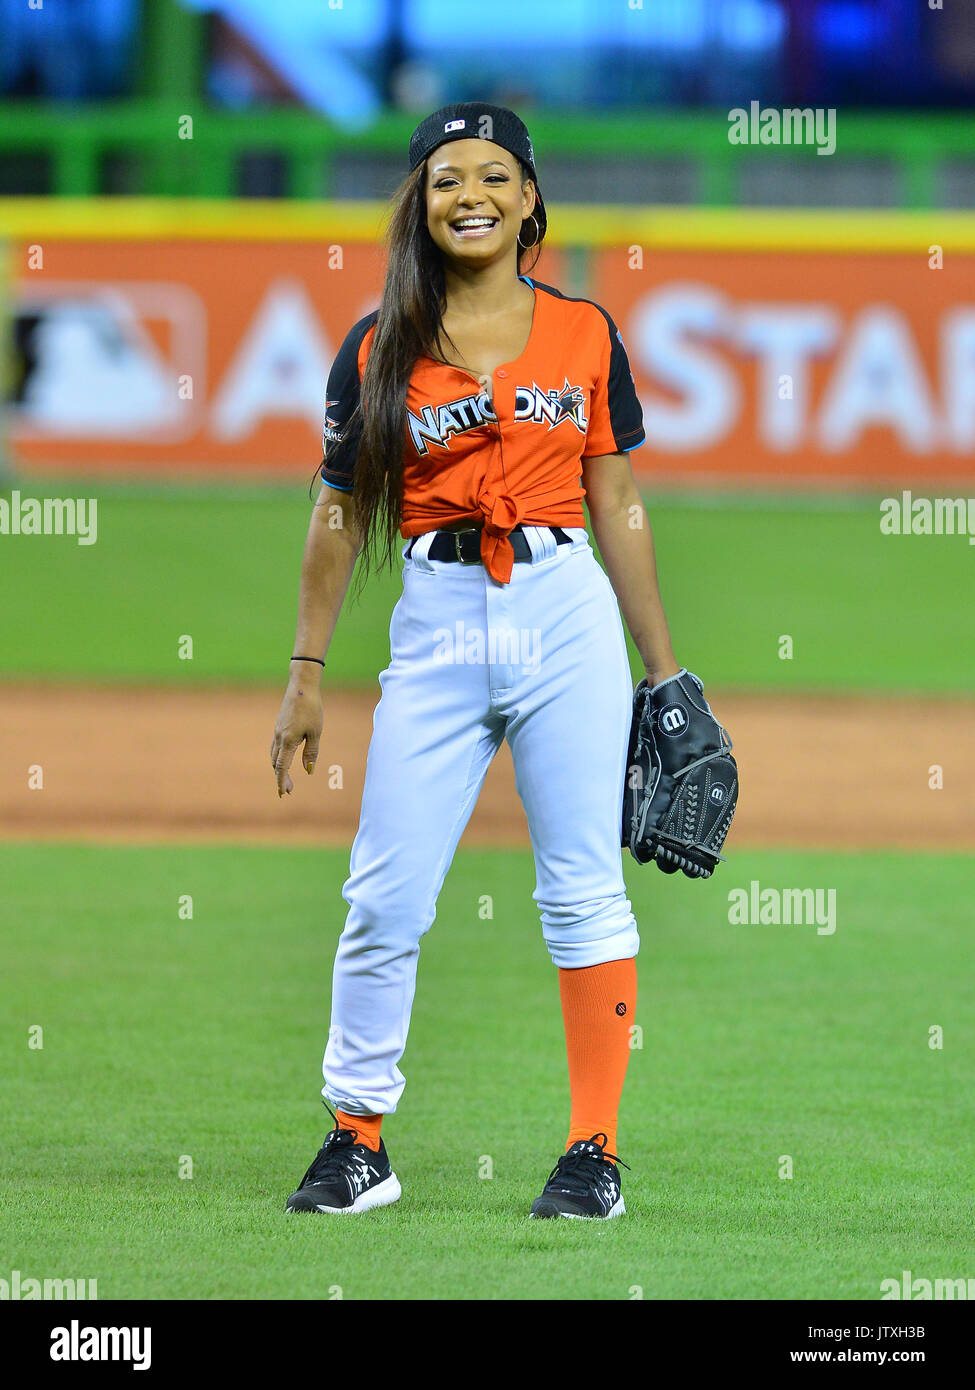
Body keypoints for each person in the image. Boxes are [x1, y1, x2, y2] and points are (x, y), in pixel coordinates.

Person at [271, 104, 680, 1220]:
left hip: (563, 607)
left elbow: (618, 499)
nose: (471, 195)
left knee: (583, 890)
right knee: (383, 893)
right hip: (438, 615)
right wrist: (306, 673)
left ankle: (591, 1154)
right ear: (419, 203)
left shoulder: (587, 331)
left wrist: (665, 672)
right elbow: (335, 519)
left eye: (495, 175)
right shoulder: (378, 346)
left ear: (531, 200)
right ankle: (359, 1139)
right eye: (446, 178)